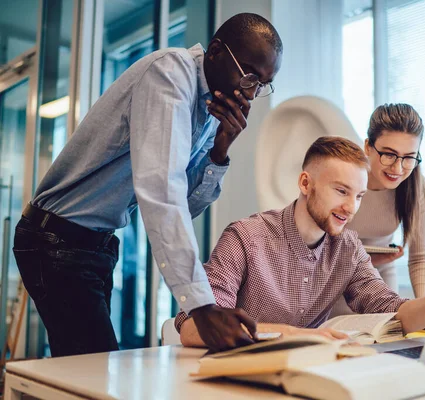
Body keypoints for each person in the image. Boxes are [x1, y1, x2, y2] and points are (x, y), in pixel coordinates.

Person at [12, 13, 283, 356]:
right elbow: (162, 193)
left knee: (86, 366)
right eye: (248, 76)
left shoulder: (212, 107)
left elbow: (187, 206)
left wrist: (219, 151)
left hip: (95, 245)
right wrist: (201, 306)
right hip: (57, 238)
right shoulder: (169, 75)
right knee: (91, 370)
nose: (250, 93)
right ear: (215, 51)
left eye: (262, 84)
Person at [174, 136, 425, 347]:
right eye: (341, 191)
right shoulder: (245, 237)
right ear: (305, 183)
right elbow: (194, 326)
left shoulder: (348, 248)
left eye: (359, 196)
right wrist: (292, 334)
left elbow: (391, 310)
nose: (350, 208)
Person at [332, 104, 425, 318]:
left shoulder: (417, 186)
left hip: (381, 279)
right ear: (368, 146)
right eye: (389, 154)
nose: (397, 169)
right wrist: (366, 262)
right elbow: (314, 255)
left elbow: (419, 258)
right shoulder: (344, 179)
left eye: (409, 157)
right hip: (334, 283)